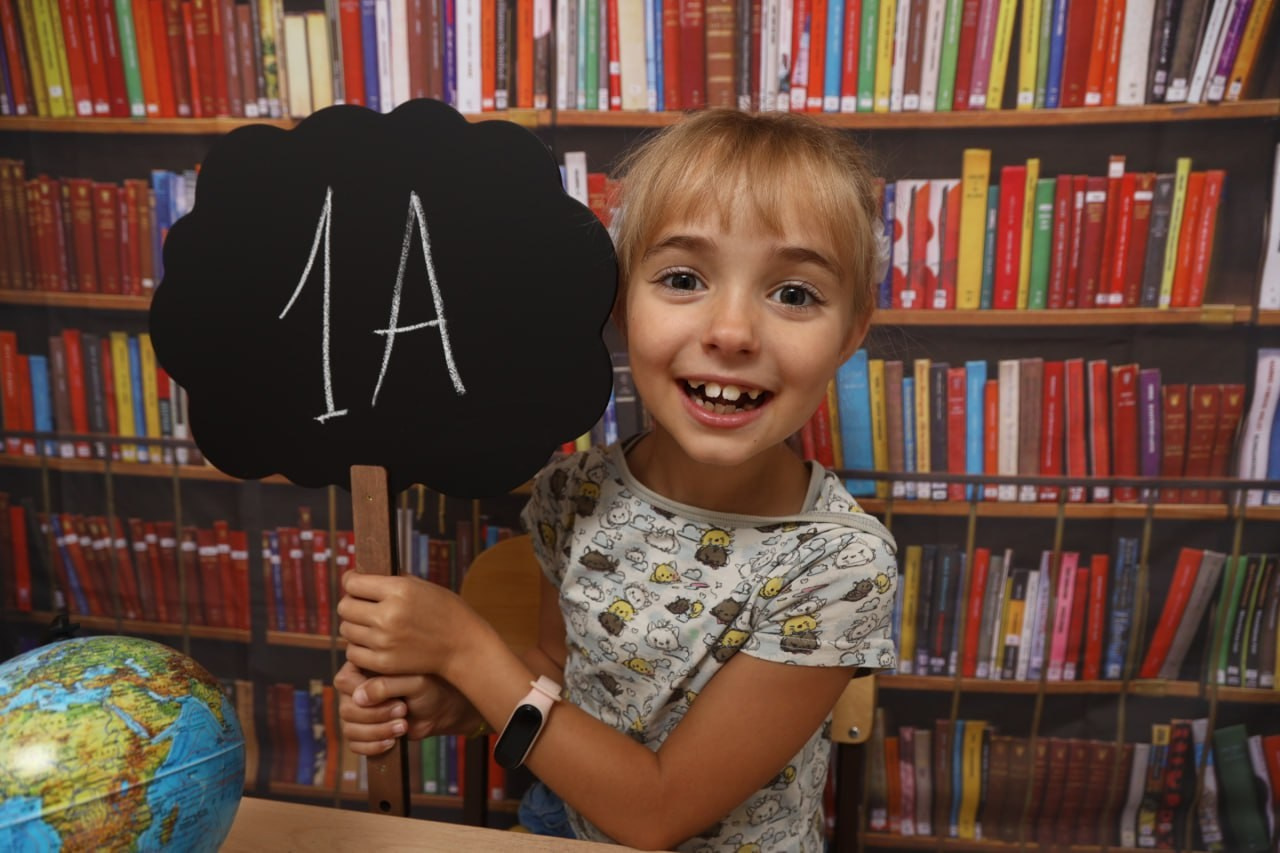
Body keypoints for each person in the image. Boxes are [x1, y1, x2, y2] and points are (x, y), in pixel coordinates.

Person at [334, 108, 899, 852]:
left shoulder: (840, 565)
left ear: (852, 330)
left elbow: (657, 811)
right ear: (620, 299)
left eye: (794, 293)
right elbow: (554, 674)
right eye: (683, 278)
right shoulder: (573, 492)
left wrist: (466, 654)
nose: (732, 332)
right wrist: (455, 702)